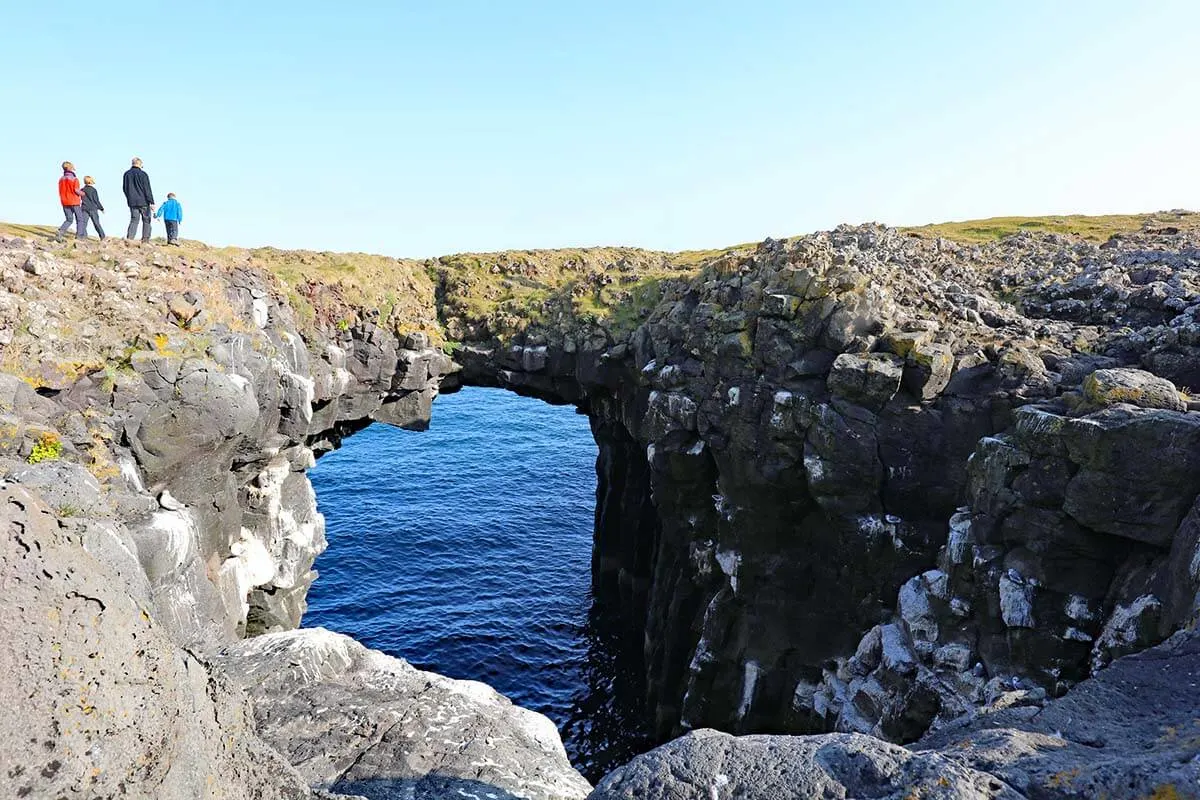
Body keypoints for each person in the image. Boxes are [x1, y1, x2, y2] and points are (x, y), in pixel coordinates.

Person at [122, 157, 155, 242]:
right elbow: (147, 189)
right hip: (144, 201)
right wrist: (151, 201)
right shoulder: (143, 174)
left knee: (134, 220)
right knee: (146, 220)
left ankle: (130, 239)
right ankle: (145, 239)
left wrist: (129, 198)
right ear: (140, 164)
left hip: (132, 202)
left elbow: (125, 188)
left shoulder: (126, 174)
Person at [55, 161, 84, 241]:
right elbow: (76, 190)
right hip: (74, 201)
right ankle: (79, 237)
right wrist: (83, 194)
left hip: (64, 201)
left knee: (69, 219)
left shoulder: (61, 179)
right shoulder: (74, 179)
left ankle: (61, 232)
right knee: (80, 219)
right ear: (71, 168)